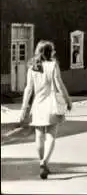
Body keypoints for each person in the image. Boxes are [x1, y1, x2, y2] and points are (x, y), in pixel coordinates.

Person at [19, 40, 72, 180]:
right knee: (51, 136)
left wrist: (24, 108)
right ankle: (44, 162)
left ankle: (42, 162)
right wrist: (67, 100)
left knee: (39, 137)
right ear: (50, 52)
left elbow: (28, 89)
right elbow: (59, 85)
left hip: (38, 105)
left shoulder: (32, 68)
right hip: (52, 104)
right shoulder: (53, 65)